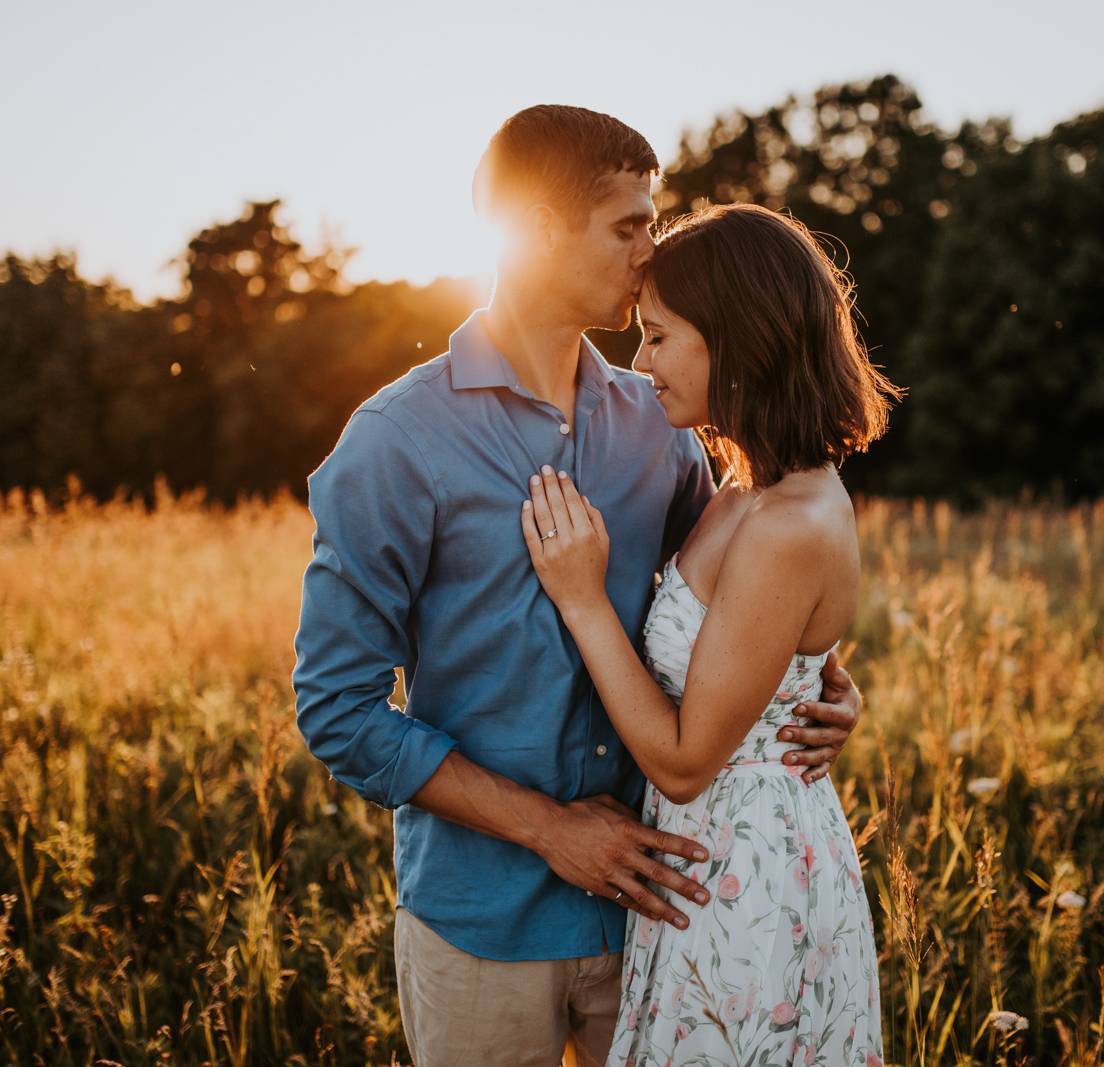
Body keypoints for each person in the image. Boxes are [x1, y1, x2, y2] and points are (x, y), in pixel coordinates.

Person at [290, 105, 865, 1067]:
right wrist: (549, 830)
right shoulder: (395, 441)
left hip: (663, 916)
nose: (651, 251)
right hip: (482, 925)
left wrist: (819, 682)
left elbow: (733, 599)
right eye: (629, 225)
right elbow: (337, 711)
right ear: (542, 232)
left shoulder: (663, 424)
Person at [519, 203, 898, 1066]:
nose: (639, 361)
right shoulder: (739, 486)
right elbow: (771, 656)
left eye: (659, 337)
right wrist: (828, 683)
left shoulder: (788, 520)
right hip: (708, 865)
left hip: (746, 878)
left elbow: (687, 764)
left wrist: (582, 599)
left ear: (735, 338)